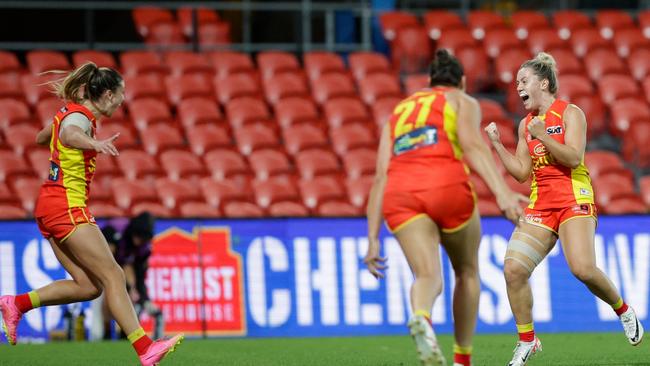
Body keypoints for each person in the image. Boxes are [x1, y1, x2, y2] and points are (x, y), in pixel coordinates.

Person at [0, 62, 182, 366]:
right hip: (66, 206)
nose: (123, 100)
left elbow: (43, 137)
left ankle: (15, 304)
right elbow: (70, 134)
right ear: (108, 94)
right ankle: (144, 347)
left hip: (48, 206)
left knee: (88, 286)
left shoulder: (68, 113)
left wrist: (65, 136)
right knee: (114, 274)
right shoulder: (80, 119)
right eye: (121, 94)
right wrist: (92, 143)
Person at [364, 49, 527, 366]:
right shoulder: (460, 100)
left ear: (428, 81)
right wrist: (503, 193)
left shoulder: (398, 112)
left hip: (401, 195)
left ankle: (422, 317)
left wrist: (372, 237)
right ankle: (461, 359)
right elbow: (472, 146)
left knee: (427, 276)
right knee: (466, 272)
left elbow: (380, 176)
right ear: (462, 81)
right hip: (445, 186)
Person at [485, 52, 644, 366]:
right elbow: (520, 173)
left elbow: (573, 159)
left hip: (574, 197)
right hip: (541, 203)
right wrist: (496, 144)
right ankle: (527, 340)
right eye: (517, 81)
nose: (517, 86)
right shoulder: (525, 125)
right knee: (513, 270)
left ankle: (624, 311)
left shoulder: (571, 113)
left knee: (582, 268)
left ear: (543, 83)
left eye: (523, 80)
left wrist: (543, 136)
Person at [101, 212, 163, 340]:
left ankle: (125, 333)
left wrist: (142, 296)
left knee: (131, 295)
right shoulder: (115, 230)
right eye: (139, 236)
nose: (139, 241)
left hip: (124, 269)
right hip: (104, 266)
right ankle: (106, 333)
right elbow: (104, 260)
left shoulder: (143, 248)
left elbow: (140, 275)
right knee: (108, 294)